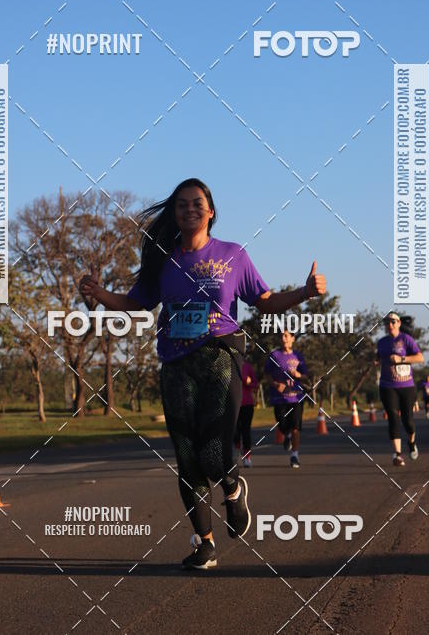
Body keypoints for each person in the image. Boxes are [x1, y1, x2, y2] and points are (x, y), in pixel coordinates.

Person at [78, 178, 326, 570]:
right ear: (174, 214)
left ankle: (231, 487)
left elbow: (264, 301)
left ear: (210, 210)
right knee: (187, 458)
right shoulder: (162, 259)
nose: (189, 210)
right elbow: (133, 302)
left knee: (213, 451)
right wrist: (98, 294)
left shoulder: (232, 256)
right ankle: (204, 544)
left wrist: (304, 293)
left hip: (220, 358)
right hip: (176, 365)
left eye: (197, 203)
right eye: (181, 205)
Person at [377, 312, 424, 466]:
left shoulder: (406, 339)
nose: (389, 324)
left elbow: (420, 357)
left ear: (398, 323)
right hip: (387, 386)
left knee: (408, 421)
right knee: (393, 417)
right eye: (386, 322)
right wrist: (376, 362)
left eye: (392, 321)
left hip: (406, 386)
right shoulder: (381, 342)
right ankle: (397, 454)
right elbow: (378, 358)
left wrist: (401, 359)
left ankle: (411, 443)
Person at [265, 331, 310, 469]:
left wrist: (298, 375)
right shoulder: (274, 355)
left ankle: (294, 455)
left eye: (286, 335)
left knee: (296, 427)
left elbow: (306, 376)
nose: (283, 338)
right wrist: (275, 384)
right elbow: (267, 374)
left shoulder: (298, 356)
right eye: (281, 336)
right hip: (279, 398)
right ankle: (287, 436)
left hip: (296, 397)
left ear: (292, 339)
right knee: (283, 425)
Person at [234, 357, 259, 468]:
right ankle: (236, 453)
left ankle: (247, 457)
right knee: (235, 431)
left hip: (247, 404)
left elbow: (255, 384)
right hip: (234, 404)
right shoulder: (230, 366)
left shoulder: (248, 367)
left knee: (246, 431)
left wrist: (249, 382)